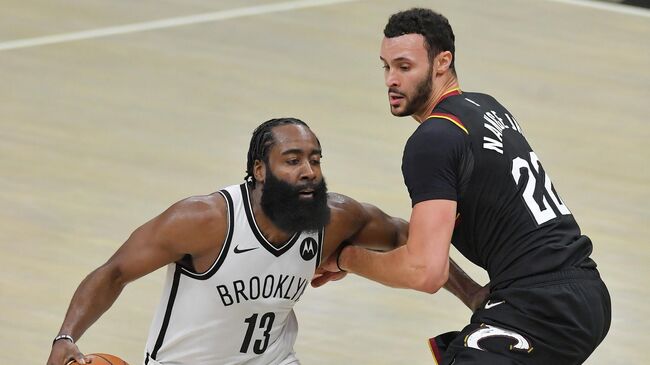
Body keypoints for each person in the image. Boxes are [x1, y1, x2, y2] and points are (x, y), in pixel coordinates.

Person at [47, 117, 485, 365]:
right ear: (259, 169)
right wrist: (65, 337)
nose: (309, 170)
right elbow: (115, 272)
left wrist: (473, 295)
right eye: (292, 160)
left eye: (314, 159)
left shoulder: (334, 217)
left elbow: (412, 237)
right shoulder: (203, 220)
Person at [314, 8, 611, 365]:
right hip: (584, 291)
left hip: (540, 307)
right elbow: (426, 242)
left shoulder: (433, 139)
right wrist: (470, 291)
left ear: (442, 62)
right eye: (386, 66)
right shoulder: (486, 107)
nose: (391, 80)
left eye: (404, 67)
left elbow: (424, 270)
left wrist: (344, 259)